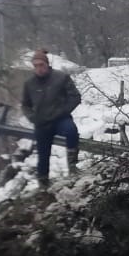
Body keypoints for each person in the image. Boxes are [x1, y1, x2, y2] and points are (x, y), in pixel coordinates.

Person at [21, 49, 82, 187]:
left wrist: (63, 111)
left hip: (61, 119)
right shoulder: (29, 84)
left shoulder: (61, 77)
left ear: (47, 64)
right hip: (42, 122)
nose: (39, 68)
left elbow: (75, 97)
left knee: (71, 131)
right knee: (43, 154)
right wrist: (33, 118)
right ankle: (43, 183)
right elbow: (25, 105)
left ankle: (72, 166)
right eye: (35, 65)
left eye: (41, 65)